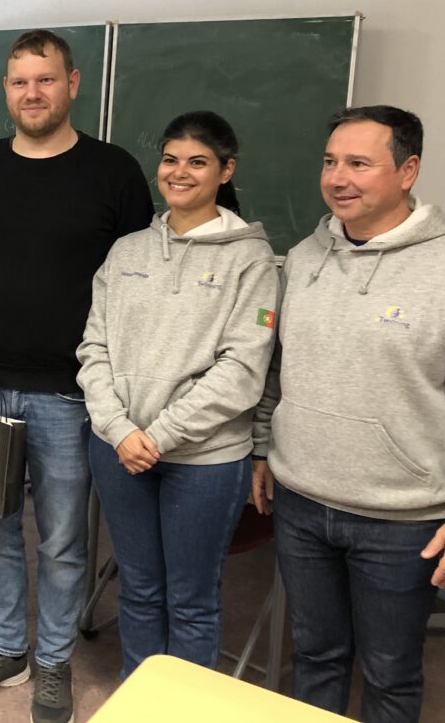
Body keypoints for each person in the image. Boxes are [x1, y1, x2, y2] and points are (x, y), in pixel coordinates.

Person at [0, 30, 153, 723]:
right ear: (6, 90)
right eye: (20, 82)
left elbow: (137, 288)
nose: (32, 93)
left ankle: (53, 660)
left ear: (73, 83)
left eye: (46, 79)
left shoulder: (114, 172)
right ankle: (8, 650)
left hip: (73, 395)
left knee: (63, 543)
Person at [253, 105, 445, 723]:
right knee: (315, 656)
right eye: (330, 162)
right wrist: (264, 447)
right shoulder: (304, 257)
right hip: (301, 503)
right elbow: (276, 367)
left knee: (389, 674)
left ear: (408, 171)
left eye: (358, 163)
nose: (337, 178)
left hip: (403, 521)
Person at [76, 111, 279, 678]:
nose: (179, 172)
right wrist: (120, 430)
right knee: (139, 589)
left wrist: (159, 435)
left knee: (191, 599)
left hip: (204, 461)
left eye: (197, 162)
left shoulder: (251, 260)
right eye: (170, 160)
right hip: (119, 450)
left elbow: (242, 370)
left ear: (225, 170)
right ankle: (140, 702)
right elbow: (93, 348)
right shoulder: (127, 251)